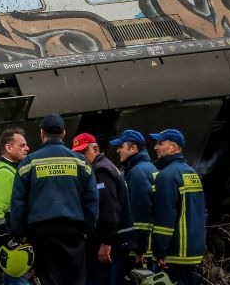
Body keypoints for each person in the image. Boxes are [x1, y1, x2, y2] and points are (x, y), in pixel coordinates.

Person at [9, 113, 99, 285]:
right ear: (64, 133)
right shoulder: (81, 162)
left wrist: (20, 233)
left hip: (42, 236)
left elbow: (18, 202)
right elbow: (92, 199)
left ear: (42, 133)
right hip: (74, 234)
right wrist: (88, 228)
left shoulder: (29, 163)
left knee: (49, 279)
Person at [72, 134, 132, 285]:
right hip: (112, 240)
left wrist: (106, 243)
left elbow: (108, 209)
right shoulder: (104, 167)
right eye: (76, 154)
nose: (80, 157)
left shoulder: (101, 171)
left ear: (95, 149)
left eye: (83, 152)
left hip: (108, 244)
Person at [148, 129, 206, 285]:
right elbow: (202, 212)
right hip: (193, 250)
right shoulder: (191, 173)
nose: (155, 148)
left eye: (160, 143)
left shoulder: (166, 176)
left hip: (175, 253)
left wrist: (160, 251)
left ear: (173, 147)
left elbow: (164, 217)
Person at [0, 128, 30, 285]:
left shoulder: (12, 169)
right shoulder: (4, 173)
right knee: (16, 278)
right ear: (9, 148)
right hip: (10, 241)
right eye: (22, 145)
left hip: (13, 238)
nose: (27, 148)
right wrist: (5, 238)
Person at [110, 128, 157, 276]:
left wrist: (138, 251)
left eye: (121, 147)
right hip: (148, 245)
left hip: (138, 249)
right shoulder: (148, 168)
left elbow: (141, 215)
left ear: (133, 149)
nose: (118, 151)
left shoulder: (138, 174)